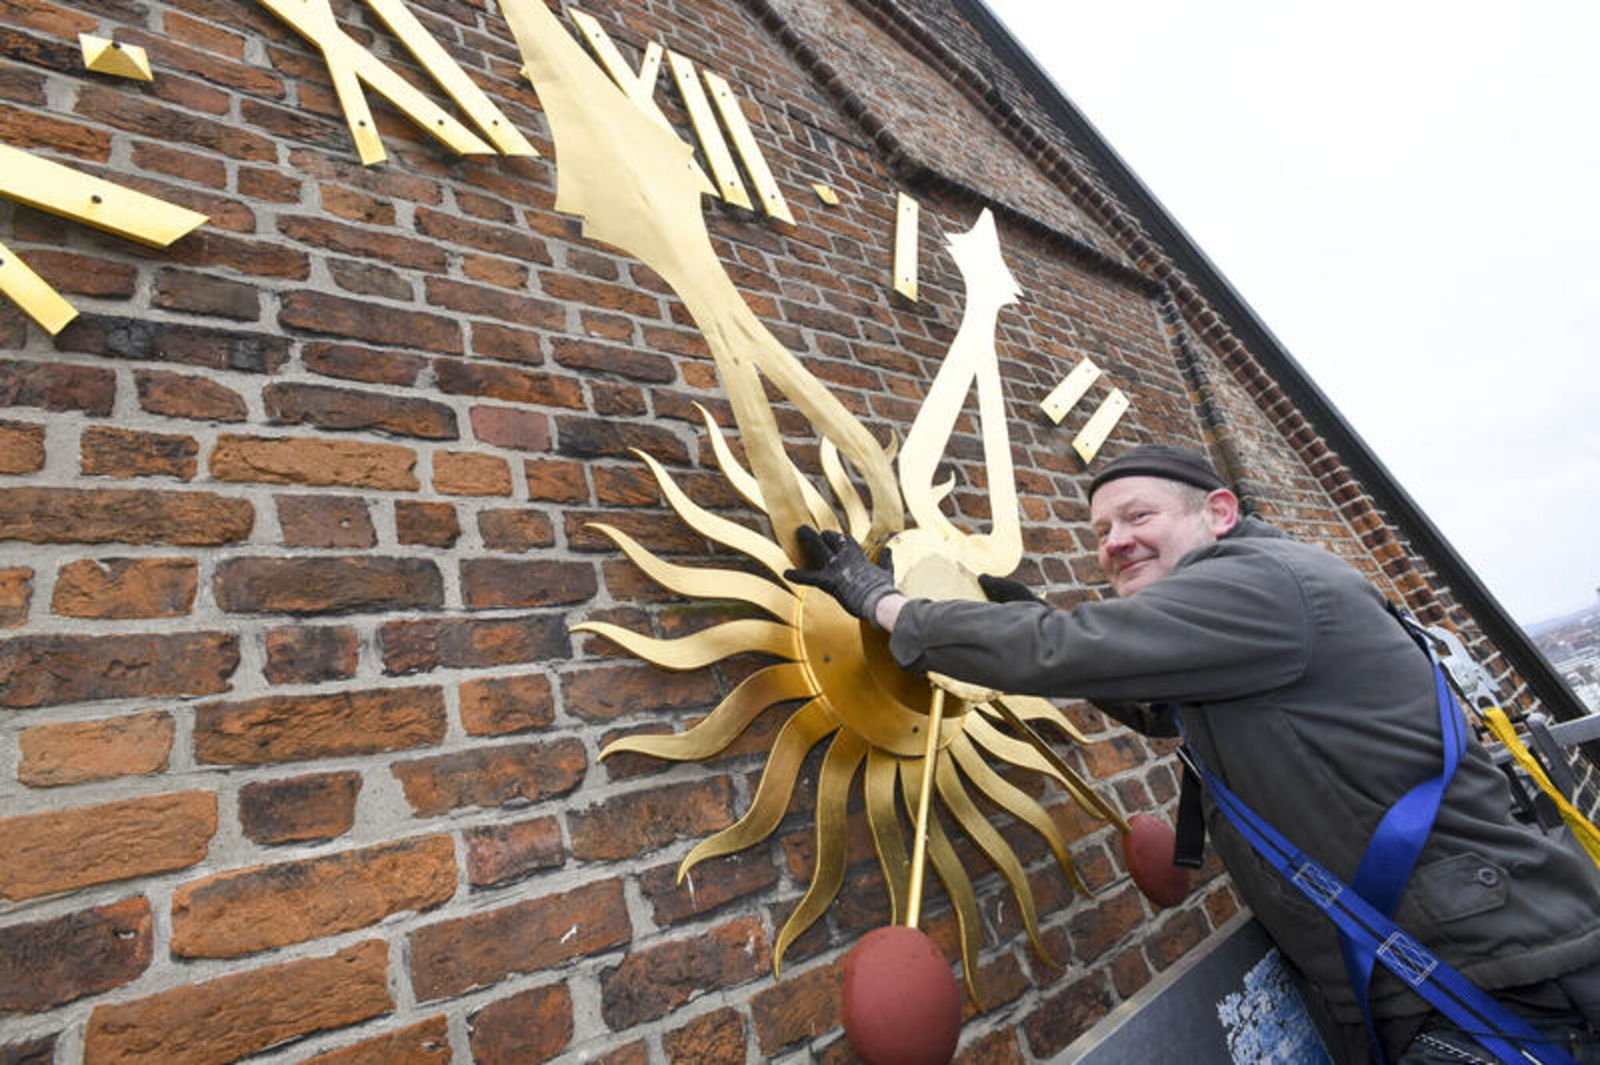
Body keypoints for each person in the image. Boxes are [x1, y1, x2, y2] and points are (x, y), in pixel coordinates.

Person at [785, 443, 1600, 1064]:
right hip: (1452, 972)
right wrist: (1028, 614)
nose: (1115, 542)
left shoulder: (1261, 583)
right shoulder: (1255, 601)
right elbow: (1160, 704)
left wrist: (889, 607)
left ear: (1219, 511)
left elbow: (1072, 646)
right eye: (1102, 530)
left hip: (1492, 981)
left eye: (1139, 516)